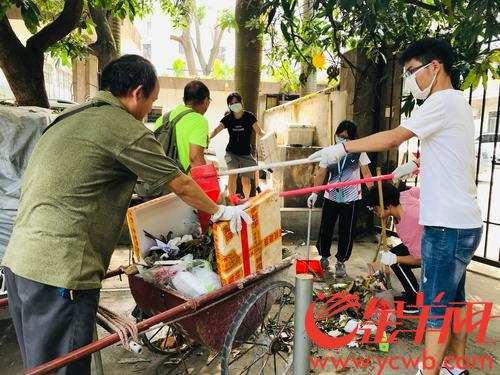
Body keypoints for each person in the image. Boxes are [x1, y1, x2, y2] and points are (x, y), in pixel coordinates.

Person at [1, 55, 250, 374]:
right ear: (137, 92)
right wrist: (219, 211)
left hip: (19, 266)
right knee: (65, 368)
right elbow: (182, 183)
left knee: (40, 366)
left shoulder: (72, 115)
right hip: (59, 272)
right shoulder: (122, 126)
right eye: (153, 100)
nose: (149, 110)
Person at [309, 38, 482, 375]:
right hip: (465, 224)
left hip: (446, 227)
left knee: (435, 309)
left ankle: (429, 371)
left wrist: (343, 150)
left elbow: (391, 137)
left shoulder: (440, 101)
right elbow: (450, 155)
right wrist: (416, 166)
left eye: (412, 71)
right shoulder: (458, 104)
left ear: (435, 67)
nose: (409, 80)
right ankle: (457, 367)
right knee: (455, 302)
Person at [307, 120, 373, 277]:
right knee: (326, 228)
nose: (342, 140)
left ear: (352, 138)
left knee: (347, 232)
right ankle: (323, 256)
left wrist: (374, 196)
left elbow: (367, 174)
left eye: (346, 137)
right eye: (340, 136)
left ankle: (341, 262)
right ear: (335, 135)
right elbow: (321, 173)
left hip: (352, 199)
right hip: (331, 196)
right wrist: (315, 193)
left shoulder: (360, 151)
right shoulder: (330, 152)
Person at [365, 183, 422, 314]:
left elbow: (420, 259)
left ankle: (416, 301)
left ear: (388, 205)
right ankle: (411, 291)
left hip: (437, 250)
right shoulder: (402, 196)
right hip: (422, 240)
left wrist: (395, 258)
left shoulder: (410, 223)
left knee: (398, 261)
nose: (375, 213)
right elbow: (422, 191)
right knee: (394, 254)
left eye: (376, 209)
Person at [210, 92, 265, 198]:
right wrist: (208, 137)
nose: (234, 105)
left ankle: (246, 202)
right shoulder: (228, 118)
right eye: (231, 103)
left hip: (246, 154)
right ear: (229, 106)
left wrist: (269, 136)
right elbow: (216, 130)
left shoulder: (249, 117)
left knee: (246, 180)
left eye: (236, 102)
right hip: (232, 153)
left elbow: (259, 131)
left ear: (241, 103)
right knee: (232, 174)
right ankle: (232, 200)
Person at [154, 80, 211, 173]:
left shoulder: (162, 119)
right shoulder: (199, 120)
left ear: (184, 99)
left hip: (161, 181)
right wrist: (207, 184)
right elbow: (195, 158)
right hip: (184, 183)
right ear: (205, 101)